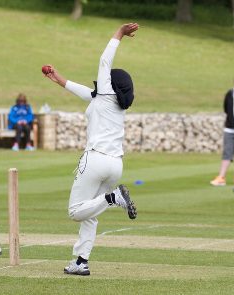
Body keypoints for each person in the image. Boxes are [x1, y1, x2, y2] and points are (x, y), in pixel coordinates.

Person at [43, 23, 139, 276]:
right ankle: (81, 261)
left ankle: (113, 198)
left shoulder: (105, 94)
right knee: (91, 213)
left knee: (76, 211)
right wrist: (59, 79)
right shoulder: (109, 102)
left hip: (95, 160)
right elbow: (85, 92)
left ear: (110, 85)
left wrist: (119, 34)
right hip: (115, 165)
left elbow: (104, 60)